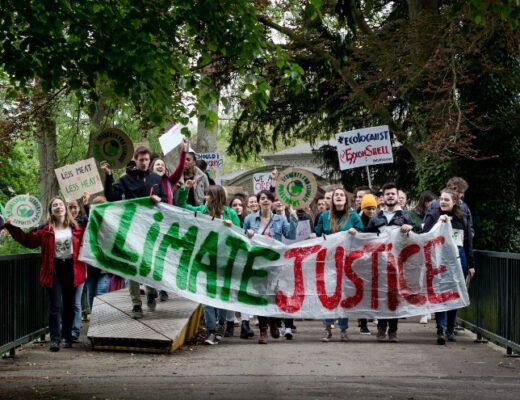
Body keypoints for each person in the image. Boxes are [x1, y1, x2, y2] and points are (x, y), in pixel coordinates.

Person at [3, 197, 86, 351]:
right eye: (55, 205)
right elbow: (28, 241)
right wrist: (12, 227)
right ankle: (55, 340)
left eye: (61, 204)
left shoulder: (76, 228)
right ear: (51, 211)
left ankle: (67, 337)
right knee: (55, 306)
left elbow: (92, 234)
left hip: (71, 268)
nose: (58, 207)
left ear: (65, 208)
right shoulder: (45, 231)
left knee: (68, 305)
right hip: (53, 269)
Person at [101, 145, 167, 319]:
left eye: (147, 160)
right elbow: (111, 196)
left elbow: (166, 201)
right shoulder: (126, 179)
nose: (144, 163)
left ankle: (151, 290)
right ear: (136, 161)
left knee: (149, 263)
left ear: (150, 161)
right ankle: (136, 304)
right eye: (141, 160)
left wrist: (159, 199)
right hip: (132, 228)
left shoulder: (156, 178)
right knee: (133, 266)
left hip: (152, 229)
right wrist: (108, 175)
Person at [177, 181, 240, 345]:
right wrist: (185, 189)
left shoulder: (230, 214)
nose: (205, 197)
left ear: (215, 197)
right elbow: (182, 205)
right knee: (206, 298)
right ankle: (212, 331)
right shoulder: (201, 211)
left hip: (224, 262)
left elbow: (239, 236)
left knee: (221, 297)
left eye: (208, 194)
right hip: (204, 261)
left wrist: (231, 226)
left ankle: (221, 326)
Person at [244, 190, 297, 344]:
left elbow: (291, 235)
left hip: (275, 263)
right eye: (262, 198)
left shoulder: (280, 220)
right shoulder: (249, 219)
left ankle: (274, 321)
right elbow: (242, 236)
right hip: (257, 263)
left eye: (268, 198)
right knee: (261, 295)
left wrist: (292, 216)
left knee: (274, 295)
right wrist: (246, 234)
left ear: (272, 202)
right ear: (259, 202)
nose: (265, 201)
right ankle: (263, 330)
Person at [423, 188, 475, 345]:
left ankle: (451, 329)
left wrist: (471, 265)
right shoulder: (433, 215)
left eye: (447, 199)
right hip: (440, 259)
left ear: (454, 202)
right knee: (441, 293)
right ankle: (441, 328)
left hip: (460, 259)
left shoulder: (462, 217)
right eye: (441, 199)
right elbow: (424, 236)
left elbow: (468, 243)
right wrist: (439, 223)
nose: (443, 202)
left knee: (455, 293)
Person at [364, 183, 414, 343]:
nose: (390, 196)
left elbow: (418, 236)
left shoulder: (406, 216)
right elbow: (366, 237)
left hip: (399, 263)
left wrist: (410, 229)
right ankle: (381, 327)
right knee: (381, 295)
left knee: (395, 296)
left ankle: (393, 331)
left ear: (397, 196)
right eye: (388, 194)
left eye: (393, 193)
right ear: (383, 197)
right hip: (380, 263)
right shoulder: (376, 217)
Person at [315, 187, 364, 342]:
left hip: (347, 261)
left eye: (342, 194)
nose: (339, 197)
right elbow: (317, 234)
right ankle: (328, 329)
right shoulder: (324, 216)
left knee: (344, 294)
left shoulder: (354, 216)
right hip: (328, 261)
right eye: (336, 195)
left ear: (346, 199)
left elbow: (363, 234)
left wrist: (355, 232)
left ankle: (343, 329)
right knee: (329, 294)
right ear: (332, 199)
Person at [229, 194, 255, 339]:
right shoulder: (227, 220)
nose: (237, 207)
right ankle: (230, 321)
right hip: (231, 260)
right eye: (234, 205)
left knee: (244, 291)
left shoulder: (249, 220)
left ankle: (245, 323)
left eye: (240, 205)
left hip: (245, 260)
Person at [409, 190, 437, 324]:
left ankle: (429, 308)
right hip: (417, 250)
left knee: (430, 279)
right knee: (420, 280)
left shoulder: (435, 214)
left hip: (431, 250)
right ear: (424, 202)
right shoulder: (413, 214)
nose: (431, 204)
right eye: (429, 202)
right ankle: (423, 310)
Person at [67, 195, 89, 342]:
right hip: (63, 269)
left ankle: (74, 332)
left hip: (79, 268)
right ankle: (65, 330)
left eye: (76, 207)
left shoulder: (82, 224)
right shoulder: (60, 226)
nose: (74, 210)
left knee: (75, 302)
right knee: (64, 302)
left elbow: (91, 221)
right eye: (71, 207)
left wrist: (87, 205)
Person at [357, 193, 379, 335]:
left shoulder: (378, 220)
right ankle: (363, 324)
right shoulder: (358, 221)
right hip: (361, 261)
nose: (371, 211)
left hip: (375, 259)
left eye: (373, 208)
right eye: (368, 208)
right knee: (363, 293)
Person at [149, 138, 188, 205]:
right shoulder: (147, 181)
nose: (160, 166)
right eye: (158, 164)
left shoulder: (169, 182)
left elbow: (181, 168)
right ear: (152, 168)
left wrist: (184, 151)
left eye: (162, 165)